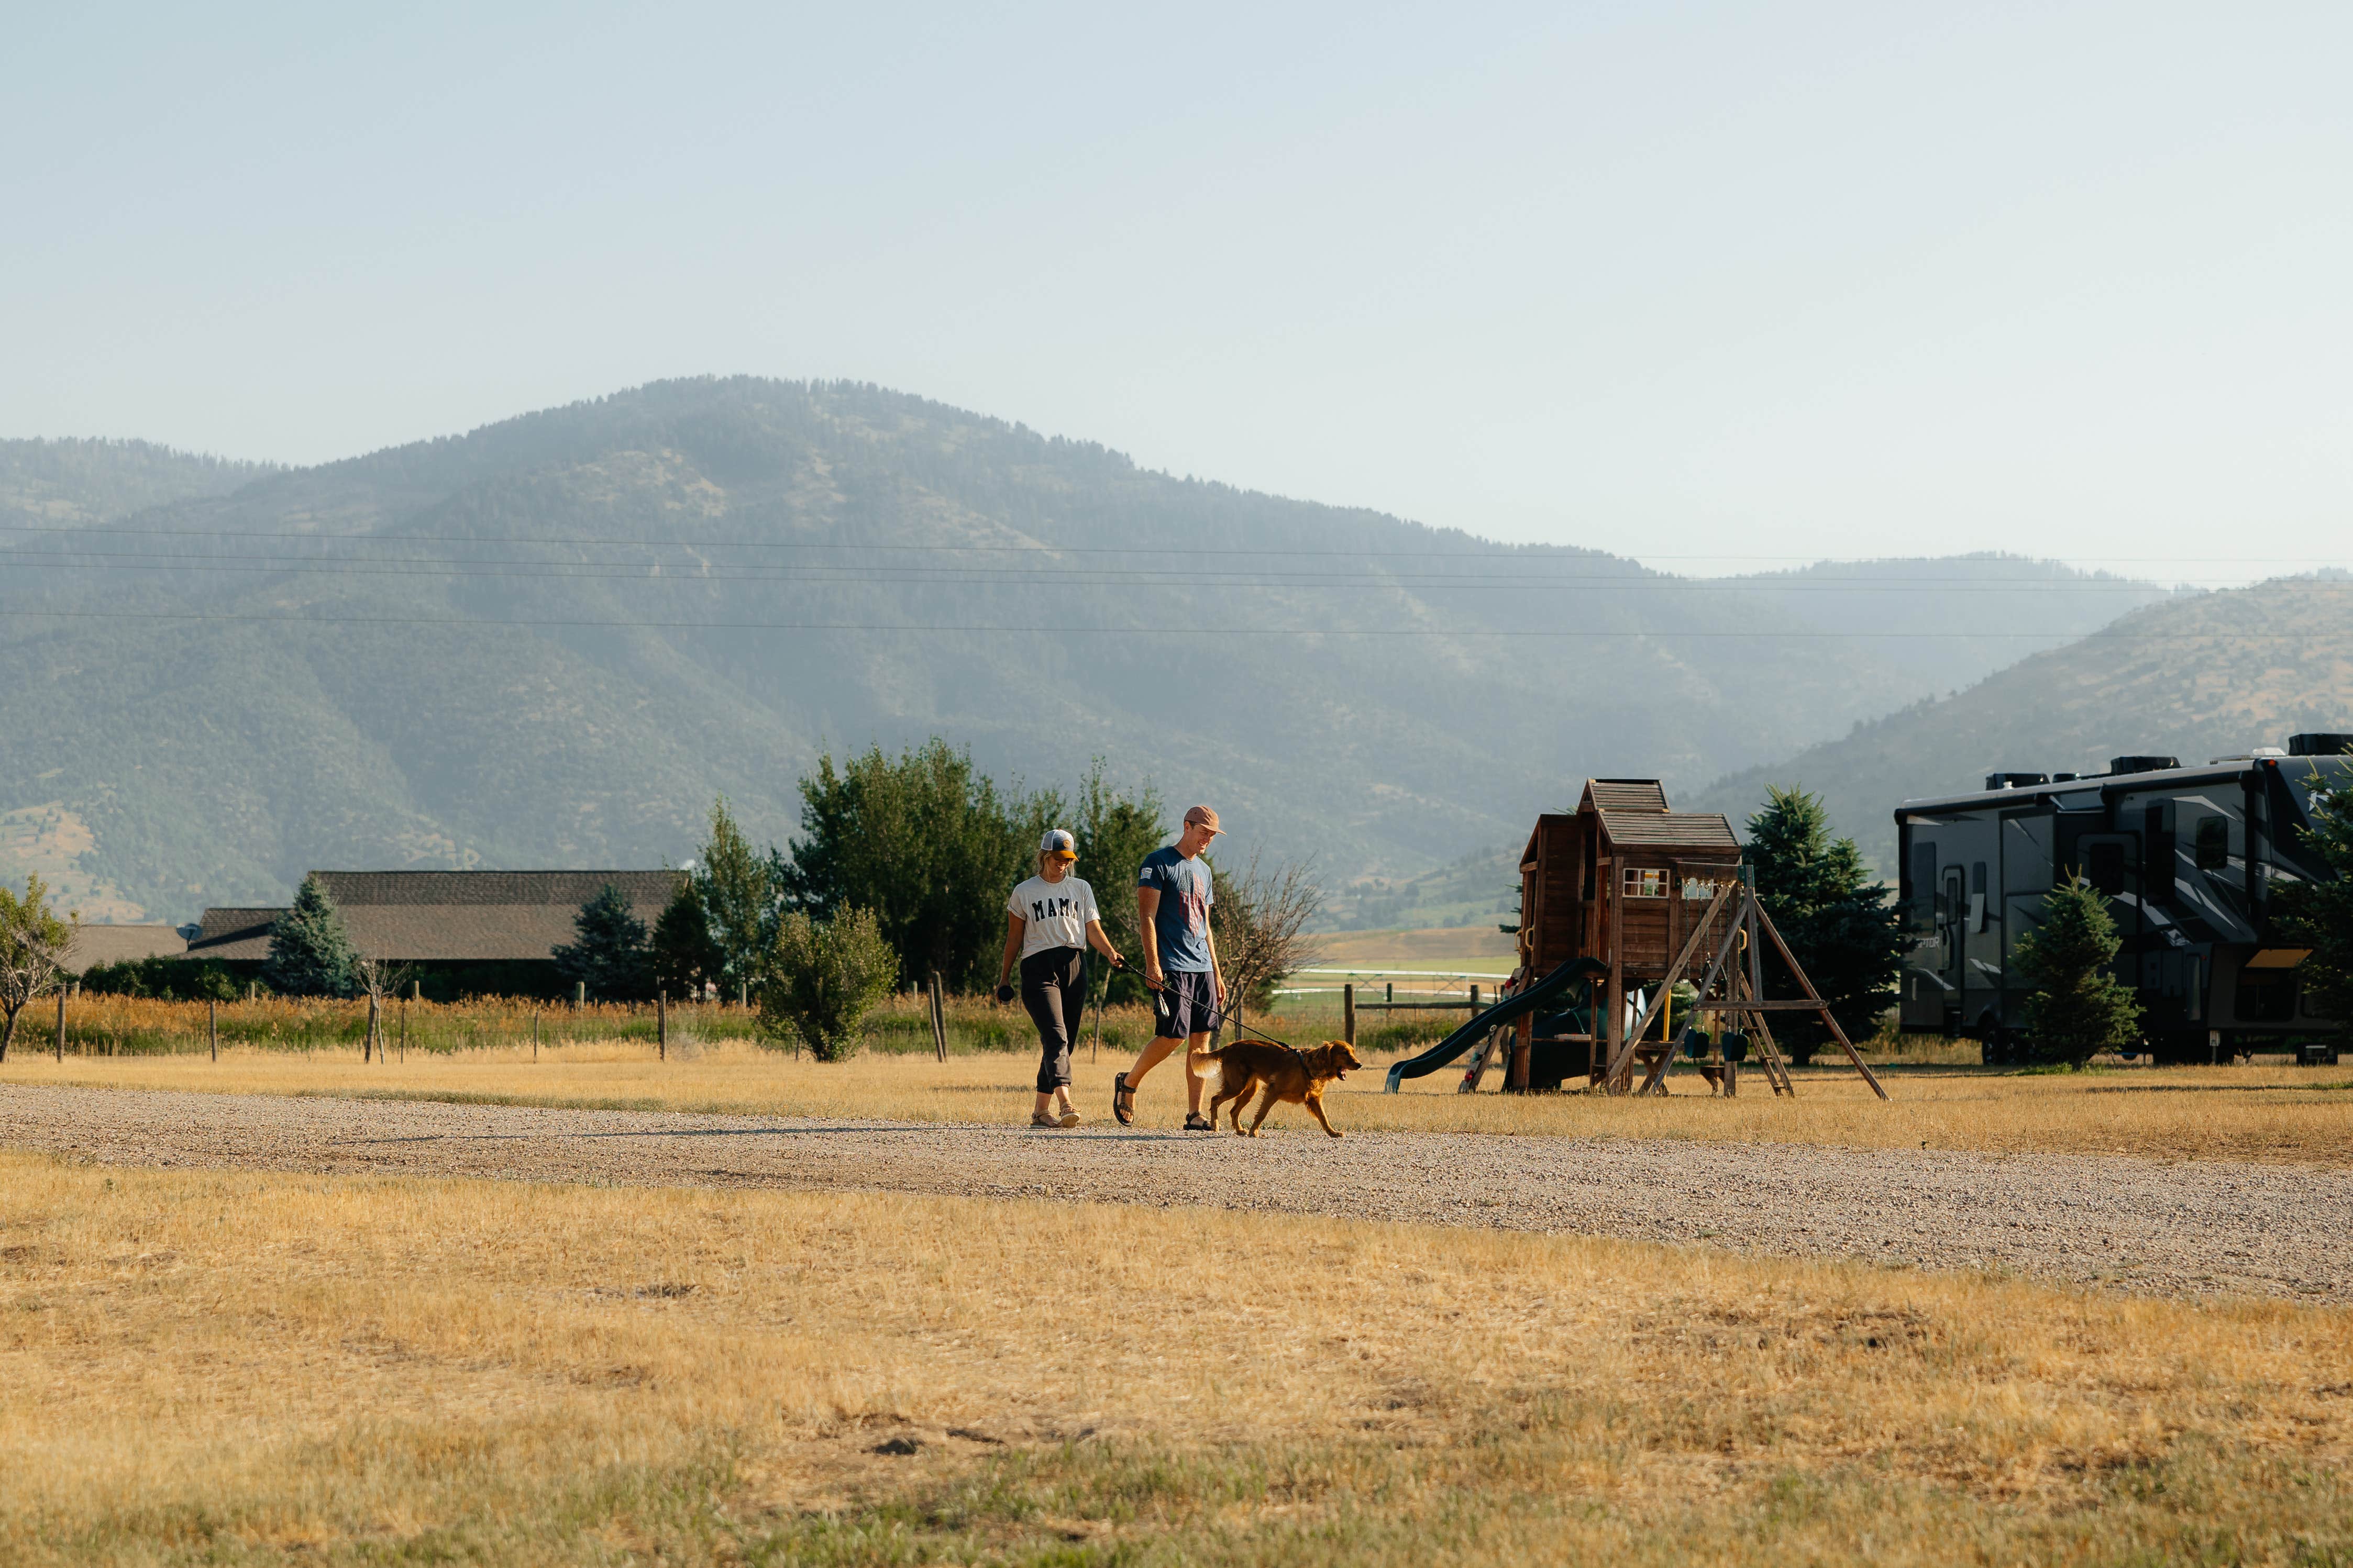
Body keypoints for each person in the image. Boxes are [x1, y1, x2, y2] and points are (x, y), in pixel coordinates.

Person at [998, 828, 1124, 1129]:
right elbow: (1014, 939)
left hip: (1075, 965)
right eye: (1057, 858)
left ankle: (1041, 1112)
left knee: (1065, 1043)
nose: (1063, 863)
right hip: (1038, 968)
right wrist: (1004, 978)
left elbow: (1092, 929)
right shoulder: (1024, 891)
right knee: (1056, 1036)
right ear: (1044, 856)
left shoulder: (1081, 888)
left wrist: (1110, 953)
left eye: (1068, 859)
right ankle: (1066, 1102)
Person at [1112, 804, 1225, 1130]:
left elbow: (1205, 927)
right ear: (1187, 827)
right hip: (1172, 964)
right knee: (1173, 1036)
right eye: (1203, 833)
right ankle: (1129, 1083)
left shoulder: (1205, 872)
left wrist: (1217, 973)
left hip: (1203, 967)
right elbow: (1146, 916)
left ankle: (1195, 1114)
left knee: (1201, 1042)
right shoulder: (1158, 862)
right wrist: (1153, 964)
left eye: (1212, 836)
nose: (1207, 840)